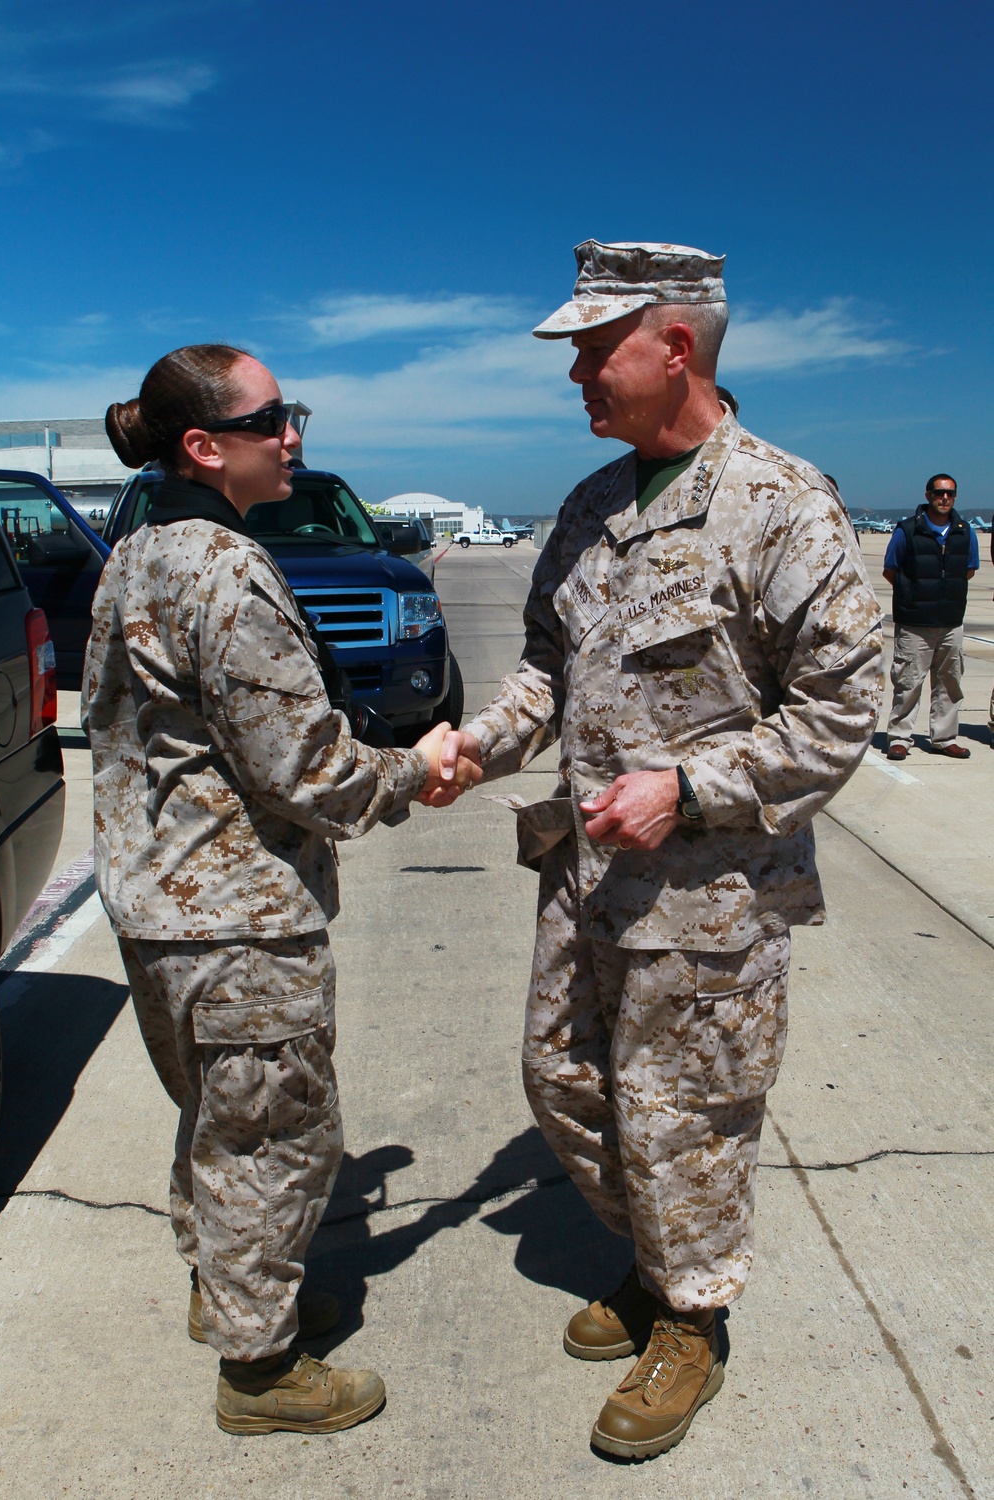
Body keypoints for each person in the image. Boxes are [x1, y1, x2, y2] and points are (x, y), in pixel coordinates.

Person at [433, 241, 883, 1459]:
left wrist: (689, 786)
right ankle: (655, 1255)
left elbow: (842, 712)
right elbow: (545, 662)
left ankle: (691, 1317)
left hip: (706, 899)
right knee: (564, 1085)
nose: (575, 375)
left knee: (686, 1114)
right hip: (583, 880)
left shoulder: (779, 504)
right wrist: (481, 742)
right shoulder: (590, 506)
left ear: (671, 346)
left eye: (593, 350)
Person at [81, 344, 478, 1435]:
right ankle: (262, 1373)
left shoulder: (134, 556)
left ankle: (225, 1293)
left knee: (216, 1123)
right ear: (204, 448)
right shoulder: (221, 567)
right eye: (271, 420)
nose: (293, 436)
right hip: (236, 920)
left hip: (159, 912)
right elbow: (307, 770)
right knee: (277, 1143)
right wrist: (417, 770)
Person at [882, 473, 977, 760]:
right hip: (915, 623)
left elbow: (969, 569)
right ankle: (900, 737)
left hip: (951, 621)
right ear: (928, 495)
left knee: (950, 684)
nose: (944, 498)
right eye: (939, 493)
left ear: (955, 497)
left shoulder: (965, 531)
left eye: (950, 493)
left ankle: (945, 738)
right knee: (908, 682)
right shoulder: (907, 530)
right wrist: (913, 596)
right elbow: (891, 569)